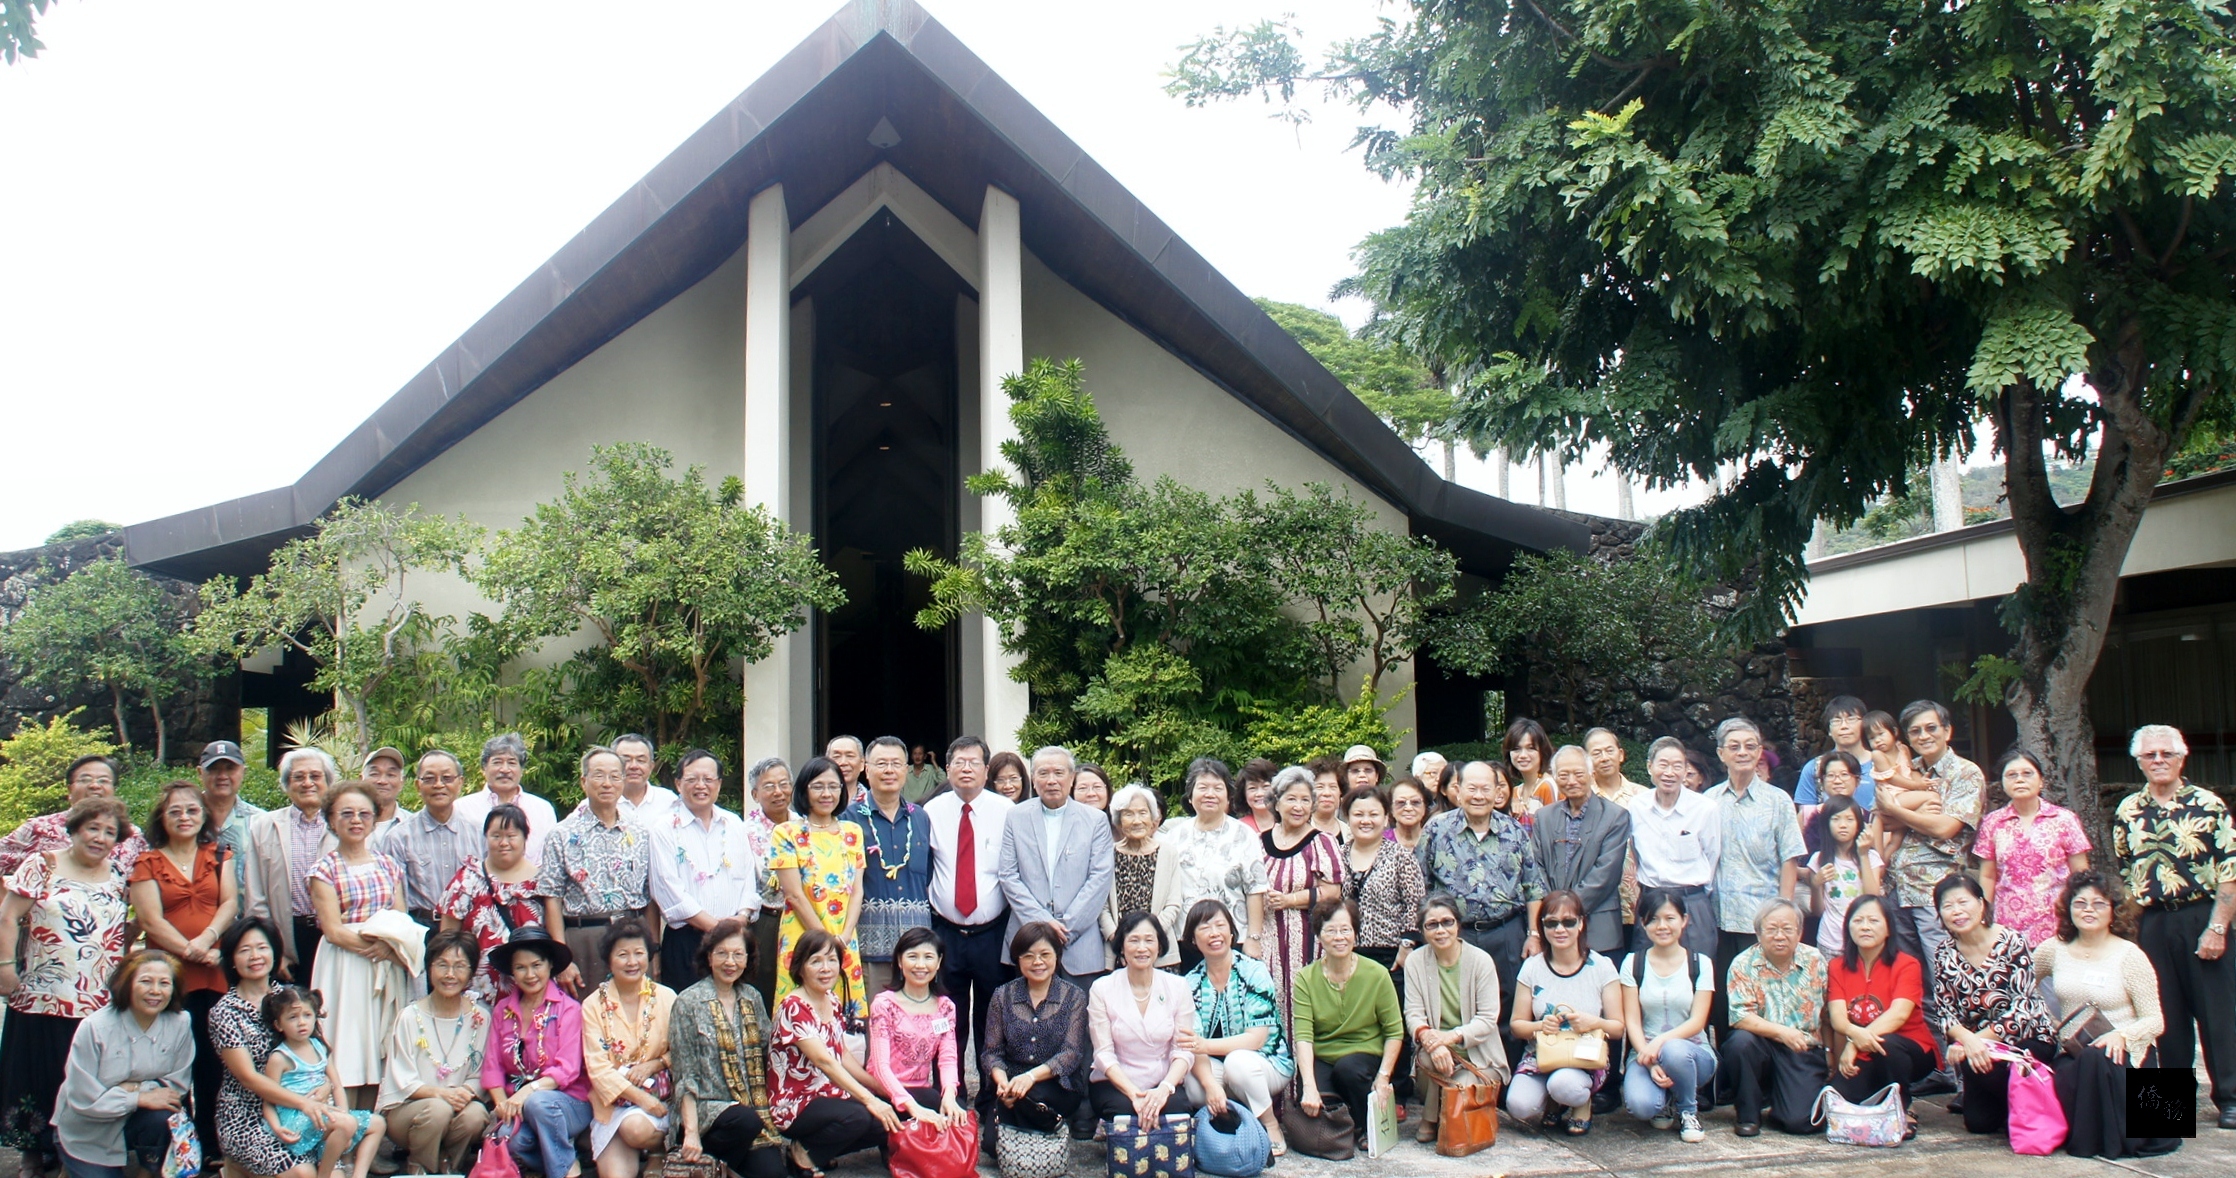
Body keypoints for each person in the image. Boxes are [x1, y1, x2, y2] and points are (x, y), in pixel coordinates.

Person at [0, 797, 135, 1176]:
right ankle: (32, 1156)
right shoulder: (42, 864)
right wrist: (5, 967)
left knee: (78, 1081)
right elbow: (8, 916)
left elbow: (127, 927)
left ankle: (70, 1154)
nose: (100, 838)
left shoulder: (119, 873)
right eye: (93, 828)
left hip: (96, 1002)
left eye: (110, 832)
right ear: (74, 829)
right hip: (42, 995)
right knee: (38, 1077)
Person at [2111, 723, 2236, 1131]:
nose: (2159, 760)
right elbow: (2126, 868)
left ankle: (2230, 1099)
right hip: (2154, 921)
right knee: (2162, 1013)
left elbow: (2229, 870)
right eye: (2150, 755)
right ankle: (2169, 1108)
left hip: (2202, 915)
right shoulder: (2128, 810)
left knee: (2219, 1014)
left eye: (2166, 753)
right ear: (2139, 761)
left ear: (2182, 758)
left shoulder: (2209, 804)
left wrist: (2218, 927)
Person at [2032, 871, 2180, 1159]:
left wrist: (2121, 1035)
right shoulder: (2053, 950)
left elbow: (2156, 1021)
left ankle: (2107, 1139)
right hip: (2074, 1055)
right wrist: (2049, 1022)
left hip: (2127, 1055)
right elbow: (2022, 986)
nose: (2089, 910)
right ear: (2068, 909)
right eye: (2080, 903)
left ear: (2113, 911)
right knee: (2085, 1059)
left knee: (2099, 1057)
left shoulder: (2131, 955)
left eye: (2099, 904)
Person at [129, 782, 239, 1159]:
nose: (184, 817)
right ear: (162, 817)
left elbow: (229, 904)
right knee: (173, 1060)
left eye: (192, 810)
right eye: (174, 810)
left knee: (213, 1061)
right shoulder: (147, 861)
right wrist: (191, 951)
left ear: (203, 814)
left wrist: (208, 939)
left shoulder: (220, 854)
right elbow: (149, 920)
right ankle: (177, 1146)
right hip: (169, 976)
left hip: (214, 971)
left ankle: (211, 1145)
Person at [210, 918, 347, 1178]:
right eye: (244, 950)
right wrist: (304, 1104)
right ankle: (236, 1167)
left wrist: (328, 1086)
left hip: (304, 1110)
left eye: (262, 947)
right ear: (231, 959)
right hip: (249, 1114)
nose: (255, 956)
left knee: (334, 1175)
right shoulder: (224, 1012)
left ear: (274, 952)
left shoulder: (292, 998)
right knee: (303, 1174)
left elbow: (319, 1052)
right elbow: (248, 1078)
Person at [921, 736, 1010, 1123]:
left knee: (992, 1019)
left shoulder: (1008, 811)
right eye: (959, 762)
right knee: (948, 1017)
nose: (966, 768)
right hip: (946, 932)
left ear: (987, 770)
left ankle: (991, 1096)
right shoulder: (930, 811)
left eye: (974, 762)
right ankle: (950, 1092)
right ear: (949, 767)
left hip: (993, 931)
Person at [304, 781, 411, 1099]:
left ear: (374, 818)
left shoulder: (389, 865)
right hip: (345, 966)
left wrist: (389, 948)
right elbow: (333, 930)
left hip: (385, 963)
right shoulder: (323, 870)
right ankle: (342, 1121)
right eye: (346, 813)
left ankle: (373, 1128)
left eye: (364, 813)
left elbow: (400, 918)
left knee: (380, 1040)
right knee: (347, 1042)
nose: (356, 820)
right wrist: (374, 949)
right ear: (331, 820)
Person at [1932, 873, 2056, 1137]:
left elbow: (2023, 1009)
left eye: (1963, 902)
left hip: (2025, 1038)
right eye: (1947, 905)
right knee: (1979, 1124)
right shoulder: (1944, 952)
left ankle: (2035, 1104)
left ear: (1981, 903)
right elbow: (1945, 1012)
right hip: (1980, 1049)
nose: (1957, 912)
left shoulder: (2012, 942)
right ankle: (2017, 1103)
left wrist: (1975, 1041)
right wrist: (1966, 1039)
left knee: (2001, 1064)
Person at [769, 928, 901, 1175]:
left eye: (832, 960)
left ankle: (823, 1149)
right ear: (800, 967)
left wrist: (882, 1088)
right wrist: (870, 1099)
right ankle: (803, 1155)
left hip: (830, 1093)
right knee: (860, 1117)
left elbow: (842, 1054)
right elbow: (825, 1061)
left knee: (889, 1116)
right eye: (815, 961)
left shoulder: (831, 999)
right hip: (796, 1101)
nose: (826, 968)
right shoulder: (794, 1007)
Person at [1413, 760, 1547, 1003]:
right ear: (1458, 790)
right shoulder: (1437, 829)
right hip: (1455, 933)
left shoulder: (1513, 831)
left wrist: (1534, 934)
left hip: (1506, 932)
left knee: (1510, 1000)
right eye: (1471, 788)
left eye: (1486, 789)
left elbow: (1533, 887)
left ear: (1497, 792)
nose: (1478, 796)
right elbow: (1419, 884)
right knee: (1457, 1000)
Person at [51, 951, 193, 1178]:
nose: (155, 991)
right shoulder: (94, 1027)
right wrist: (138, 1095)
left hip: (137, 1118)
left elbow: (175, 1087)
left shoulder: (180, 1022)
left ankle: (147, 1171)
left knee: (163, 1115)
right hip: (87, 1129)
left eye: (164, 983)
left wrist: (130, 1088)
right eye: (146, 981)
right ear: (126, 984)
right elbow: (83, 1098)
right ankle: (69, 1163)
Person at [1703, 718, 1805, 1030]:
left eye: (1750, 746)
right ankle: (1727, 1073)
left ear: (1760, 751)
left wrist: (1784, 910)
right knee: (1722, 1002)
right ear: (1721, 754)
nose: (1742, 752)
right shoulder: (1708, 801)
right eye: (1734, 747)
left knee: (1763, 999)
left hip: (1761, 917)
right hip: (1718, 916)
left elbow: (1790, 857)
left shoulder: (1778, 800)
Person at [1878, 701, 1985, 999]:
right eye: (1915, 731)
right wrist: (1913, 811)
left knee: (1944, 975)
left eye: (1931, 728)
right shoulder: (1905, 772)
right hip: (1897, 887)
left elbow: (1946, 828)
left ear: (1947, 731)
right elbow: (1881, 815)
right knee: (1912, 981)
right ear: (1907, 738)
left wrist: (1898, 811)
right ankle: (1927, 1045)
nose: (1924, 736)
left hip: (1935, 890)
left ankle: (1956, 1042)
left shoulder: (1966, 773)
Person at [667, 918, 788, 1178]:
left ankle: (721, 1169)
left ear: (747, 959)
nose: (730, 962)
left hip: (750, 1111)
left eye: (737, 954)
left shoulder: (751, 997)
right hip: (705, 1111)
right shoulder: (688, 1002)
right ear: (709, 957)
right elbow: (684, 1075)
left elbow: (772, 1049)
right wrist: (690, 1133)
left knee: (773, 1173)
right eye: (722, 953)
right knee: (744, 1120)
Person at [539, 747, 655, 995]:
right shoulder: (562, 834)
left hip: (633, 937)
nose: (607, 784)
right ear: (584, 781)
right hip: (585, 939)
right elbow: (552, 899)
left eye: (615, 776)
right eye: (599, 775)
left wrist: (654, 950)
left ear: (623, 782)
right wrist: (562, 960)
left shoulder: (640, 832)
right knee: (590, 1019)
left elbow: (651, 896)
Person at [1503, 890, 1620, 1135]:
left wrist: (1592, 1022)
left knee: (1564, 1084)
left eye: (1568, 922)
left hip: (1584, 1057)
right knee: (1518, 1105)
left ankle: (1580, 1102)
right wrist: (1539, 1026)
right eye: (1551, 923)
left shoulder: (1601, 967)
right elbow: (1517, 1025)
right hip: (1543, 1054)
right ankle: (1554, 1101)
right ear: (1542, 926)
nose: (1560, 929)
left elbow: (1618, 1027)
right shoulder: (1532, 967)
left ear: (1581, 923)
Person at [377, 929, 492, 1175]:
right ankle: (420, 1164)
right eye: (442, 965)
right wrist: (441, 1095)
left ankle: (449, 1163)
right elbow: (401, 1079)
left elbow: (481, 1073)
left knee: (477, 1115)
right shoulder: (410, 1017)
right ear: (429, 969)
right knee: (438, 1109)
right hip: (410, 1112)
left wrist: (465, 1092)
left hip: (458, 1107)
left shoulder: (480, 1017)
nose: (450, 974)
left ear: (471, 972)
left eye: (460, 966)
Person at [1179, 902, 1291, 1152]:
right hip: (1224, 1069)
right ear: (1193, 940)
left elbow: (1256, 1040)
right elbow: (1192, 1045)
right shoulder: (1190, 983)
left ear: (1231, 933)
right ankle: (1233, 1122)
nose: (1214, 933)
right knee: (1194, 1084)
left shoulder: (1253, 971)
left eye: (1220, 925)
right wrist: (1211, 1086)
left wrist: (1206, 1045)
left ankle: (1270, 1124)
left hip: (1267, 1063)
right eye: (1205, 928)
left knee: (1238, 1062)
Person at [999, 746, 1116, 985]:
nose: (1051, 780)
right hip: (1027, 940)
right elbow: (1009, 876)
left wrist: (1066, 928)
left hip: (1079, 943)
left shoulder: (1095, 820)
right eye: (1043, 773)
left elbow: (1100, 878)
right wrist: (1041, 924)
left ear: (1072, 778)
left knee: (1077, 1020)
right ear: (1033, 779)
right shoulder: (1016, 816)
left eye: (1059, 773)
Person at [482, 928, 593, 1178]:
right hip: (518, 1105)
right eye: (521, 968)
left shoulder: (569, 1009)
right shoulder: (502, 1010)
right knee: (509, 1140)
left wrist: (526, 1094)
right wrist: (503, 1105)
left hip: (567, 1102)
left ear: (550, 965)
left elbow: (567, 1069)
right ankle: (566, 1159)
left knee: (538, 1103)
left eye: (536, 965)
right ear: (512, 971)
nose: (530, 974)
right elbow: (492, 1067)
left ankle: (563, 1173)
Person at [1292, 899, 1402, 1146]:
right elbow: (1304, 1037)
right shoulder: (1305, 978)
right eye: (1330, 931)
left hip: (1363, 1056)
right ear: (1319, 936)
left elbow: (1395, 1031)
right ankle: (1344, 1128)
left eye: (1345, 930)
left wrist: (1384, 1076)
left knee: (1348, 1070)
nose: (1339, 937)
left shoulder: (1377, 974)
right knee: (1312, 1100)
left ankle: (1365, 1126)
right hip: (1325, 1055)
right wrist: (1308, 1084)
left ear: (1355, 933)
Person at [1404, 894, 1511, 1146]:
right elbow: (1413, 1014)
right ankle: (1436, 1117)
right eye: (1432, 925)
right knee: (1431, 1058)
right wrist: (1434, 1041)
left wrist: (1450, 1037)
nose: (1441, 930)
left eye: (1447, 922)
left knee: (1460, 1088)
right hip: (1437, 1052)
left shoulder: (1480, 961)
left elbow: (1487, 1019)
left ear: (1458, 924)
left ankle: (1431, 1119)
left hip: (1479, 1057)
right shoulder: (1415, 961)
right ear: (1422, 930)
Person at [1824, 896, 1933, 1138]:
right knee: (1836, 1098)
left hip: (1911, 1052)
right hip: (1865, 1051)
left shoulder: (1907, 964)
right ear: (1848, 927)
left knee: (1889, 1043)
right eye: (1858, 920)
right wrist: (1854, 1038)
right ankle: (1878, 1099)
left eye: (1873, 920)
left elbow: (1898, 1015)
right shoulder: (1837, 966)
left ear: (1888, 928)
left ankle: (1903, 1108)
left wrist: (1853, 1044)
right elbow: (1838, 1019)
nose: (1865, 926)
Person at [649, 749, 759, 987]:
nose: (701, 785)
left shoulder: (734, 824)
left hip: (735, 939)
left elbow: (749, 879)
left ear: (719, 784)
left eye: (708, 779)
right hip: (688, 939)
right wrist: (718, 929)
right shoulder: (664, 828)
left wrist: (741, 918)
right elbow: (668, 890)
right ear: (678, 783)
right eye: (692, 779)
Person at [1718, 898, 1828, 1136]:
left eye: (1787, 929)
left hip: (1802, 1049)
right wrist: (1782, 1032)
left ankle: (1781, 1101)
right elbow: (1740, 1016)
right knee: (1739, 1043)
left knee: (1800, 1123)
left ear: (1799, 932)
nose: (1780, 936)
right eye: (1772, 929)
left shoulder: (1815, 961)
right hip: (1762, 1045)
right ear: (1758, 933)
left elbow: (1829, 1013)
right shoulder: (1743, 964)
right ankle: (1748, 1115)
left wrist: (1834, 1058)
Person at [768, 757, 867, 1018]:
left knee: (845, 1019)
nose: (827, 794)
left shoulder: (853, 832)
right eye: (818, 786)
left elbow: (857, 890)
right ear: (804, 790)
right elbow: (794, 895)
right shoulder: (785, 833)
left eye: (834, 787)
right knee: (800, 1016)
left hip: (844, 937)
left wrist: (844, 936)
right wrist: (825, 941)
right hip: (802, 934)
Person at [1617, 888, 1715, 1143]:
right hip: (1645, 1051)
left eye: (1670, 918)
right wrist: (1649, 1061)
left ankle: (1687, 1111)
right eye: (1653, 919)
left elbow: (1697, 1022)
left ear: (1684, 920)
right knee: (1641, 1105)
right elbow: (1633, 1022)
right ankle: (1664, 1101)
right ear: (1643, 924)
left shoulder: (1700, 963)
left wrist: (1660, 1043)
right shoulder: (1633, 963)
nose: (1662, 926)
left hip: (1692, 1054)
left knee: (1673, 1051)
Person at [581, 921, 677, 1178]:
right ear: (609, 960)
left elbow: (682, 1052)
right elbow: (598, 1068)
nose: (632, 961)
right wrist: (640, 1098)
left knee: (636, 1129)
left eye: (639, 953)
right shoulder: (593, 1005)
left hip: (661, 1100)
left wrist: (656, 1064)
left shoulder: (667, 997)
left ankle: (657, 1151)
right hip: (615, 1103)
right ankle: (638, 1149)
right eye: (623, 955)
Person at [258, 986, 384, 1178]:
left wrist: (345, 1115)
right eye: (292, 1017)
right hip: (296, 1120)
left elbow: (336, 1085)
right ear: (279, 1025)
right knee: (345, 1124)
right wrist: (276, 1128)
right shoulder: (280, 1057)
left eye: (307, 1015)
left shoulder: (319, 1046)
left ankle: (358, 1175)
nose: (301, 1022)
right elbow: (268, 1099)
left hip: (325, 1116)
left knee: (378, 1123)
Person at [1155, 759, 1269, 970]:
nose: (1210, 794)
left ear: (1228, 796)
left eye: (1218, 788)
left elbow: (1256, 889)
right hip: (1186, 938)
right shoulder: (1173, 837)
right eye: (1203, 787)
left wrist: (1254, 937)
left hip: (1234, 937)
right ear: (1190, 795)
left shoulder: (1244, 835)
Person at [1086, 913, 1201, 1121]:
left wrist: (1164, 1089)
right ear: (1121, 946)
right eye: (1133, 940)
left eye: (1149, 940)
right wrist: (1134, 1094)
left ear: (1159, 946)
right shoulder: (1102, 988)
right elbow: (1103, 1053)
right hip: (1116, 1083)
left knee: (1176, 1108)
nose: (1142, 948)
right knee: (1125, 1111)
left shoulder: (1178, 986)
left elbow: (1183, 1051)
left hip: (1161, 1080)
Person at [1975, 747, 2090, 948]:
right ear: (2002, 783)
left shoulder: (2064, 819)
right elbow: (1988, 876)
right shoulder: (1992, 823)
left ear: (2041, 780)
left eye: (2027, 773)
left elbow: (2080, 873)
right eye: (2011, 775)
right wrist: (1983, 917)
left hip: (2058, 924)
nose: (2019, 779)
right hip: (2008, 925)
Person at [982, 923, 1090, 1136]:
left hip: (1056, 1084)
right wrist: (1003, 1083)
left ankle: (1038, 1126)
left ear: (1057, 957)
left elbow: (1071, 1053)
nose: (1037, 962)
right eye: (1029, 956)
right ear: (1018, 959)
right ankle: (1042, 1129)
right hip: (1011, 1085)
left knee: (1030, 1098)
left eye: (1044, 954)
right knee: (991, 1145)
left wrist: (1030, 1078)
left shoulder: (1074, 996)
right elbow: (992, 1053)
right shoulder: (1002, 995)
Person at [847, 737, 934, 996]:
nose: (889, 770)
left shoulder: (921, 817)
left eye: (896, 763)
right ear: (866, 768)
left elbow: (929, 875)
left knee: (916, 1025)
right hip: (868, 948)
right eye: (881, 763)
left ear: (906, 770)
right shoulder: (848, 820)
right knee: (873, 1027)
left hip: (917, 954)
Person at [241, 748, 338, 979]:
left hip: (333, 934)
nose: (308, 783)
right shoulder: (264, 826)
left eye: (315, 776)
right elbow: (256, 898)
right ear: (286, 784)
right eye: (299, 777)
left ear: (328, 781)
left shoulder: (343, 823)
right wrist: (273, 950)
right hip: (285, 935)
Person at [1258, 766, 1346, 1014]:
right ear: (1276, 803)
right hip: (1267, 939)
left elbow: (1333, 893)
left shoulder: (1322, 841)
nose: (1299, 806)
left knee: (1305, 1005)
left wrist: (1289, 900)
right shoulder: (1259, 842)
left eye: (1305, 800)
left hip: (1308, 940)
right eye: (1291, 799)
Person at [1531, 747, 1632, 955]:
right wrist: (1556, 913)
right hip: (1553, 929)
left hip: (1599, 928)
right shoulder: (1544, 817)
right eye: (1563, 775)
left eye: (1578, 774)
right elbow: (1537, 867)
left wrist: (1564, 909)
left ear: (1591, 775)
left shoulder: (1615, 816)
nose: (1571, 781)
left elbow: (1606, 874)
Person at [1625, 738, 1720, 959]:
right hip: (1651, 899)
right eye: (1663, 764)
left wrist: (1695, 894)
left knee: (1697, 971)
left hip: (1692, 901)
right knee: (1646, 971)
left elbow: (1712, 855)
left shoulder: (1705, 808)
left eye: (1677, 766)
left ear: (1686, 770)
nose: (1670, 772)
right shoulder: (1636, 807)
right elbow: (1635, 853)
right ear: (1650, 767)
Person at [439, 804, 546, 999]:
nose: (503, 843)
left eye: (511, 836)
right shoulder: (468, 880)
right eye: (496, 836)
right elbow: (447, 938)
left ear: (525, 838)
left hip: (532, 987)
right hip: (478, 989)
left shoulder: (542, 883)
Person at [866, 928, 966, 1129]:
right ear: (900, 962)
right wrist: (911, 1106)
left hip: (921, 1092)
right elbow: (880, 1066)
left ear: (938, 963)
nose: (920, 965)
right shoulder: (884, 1004)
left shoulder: (945, 1007)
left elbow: (947, 1058)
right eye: (912, 957)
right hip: (885, 1092)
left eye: (928, 957)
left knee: (956, 1112)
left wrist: (948, 1094)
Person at [377, 750, 483, 928]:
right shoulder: (399, 837)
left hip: (469, 928)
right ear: (418, 786)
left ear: (460, 783)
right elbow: (392, 898)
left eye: (447, 778)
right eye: (429, 779)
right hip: (421, 927)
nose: (438, 785)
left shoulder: (479, 833)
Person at [0, 755, 146, 878]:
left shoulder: (132, 835)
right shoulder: (39, 827)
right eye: (85, 779)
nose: (95, 786)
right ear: (70, 789)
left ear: (113, 789)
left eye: (103, 781)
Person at [1342, 787, 1426, 976]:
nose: (1366, 820)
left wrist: (1406, 947)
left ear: (1386, 818)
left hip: (1392, 956)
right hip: (1345, 954)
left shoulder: (1401, 857)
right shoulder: (1336, 856)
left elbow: (1416, 905)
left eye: (1373, 814)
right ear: (1348, 818)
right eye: (1358, 814)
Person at [741, 758, 799, 1005]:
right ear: (755, 794)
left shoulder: (805, 825)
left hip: (801, 918)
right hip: (767, 920)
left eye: (784, 784)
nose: (778, 792)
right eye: (769, 786)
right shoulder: (744, 832)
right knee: (764, 988)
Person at [451, 734, 559, 865]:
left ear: (522, 769)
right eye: (497, 762)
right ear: (484, 767)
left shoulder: (542, 809)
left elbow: (550, 860)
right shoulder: (461, 809)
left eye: (512, 763)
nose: (505, 770)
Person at [1102, 785, 1174, 970]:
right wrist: (1120, 941)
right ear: (1118, 821)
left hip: (1160, 951)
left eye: (1143, 813)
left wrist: (1151, 938)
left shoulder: (1168, 853)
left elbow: (1173, 905)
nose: (1136, 821)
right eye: (1128, 814)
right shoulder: (1106, 854)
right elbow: (1101, 907)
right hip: (1118, 951)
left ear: (1153, 819)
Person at [1805, 795, 1882, 955]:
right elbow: (1818, 911)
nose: (1843, 825)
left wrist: (1863, 855)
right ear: (1826, 824)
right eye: (1836, 819)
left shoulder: (1871, 857)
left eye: (1849, 819)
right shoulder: (1818, 859)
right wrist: (1816, 884)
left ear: (1858, 824)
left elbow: (1872, 897)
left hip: (1863, 940)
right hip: (1830, 940)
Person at [200, 741, 266, 889]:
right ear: (200, 773)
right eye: (213, 769)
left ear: (244, 771)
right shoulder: (185, 819)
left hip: (248, 911)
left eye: (230, 769)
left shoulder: (261, 821)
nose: (222, 776)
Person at [1794, 696, 1878, 810]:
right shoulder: (1814, 768)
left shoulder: (1882, 764)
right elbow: (1806, 817)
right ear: (1829, 730)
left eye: (1851, 719)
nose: (1844, 726)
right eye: (1836, 721)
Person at [1798, 750, 1873, 859]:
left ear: (1857, 780)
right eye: (1831, 775)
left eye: (1844, 774)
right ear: (1822, 781)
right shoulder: (1807, 814)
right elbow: (1792, 855)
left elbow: (1879, 862)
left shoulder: (1870, 818)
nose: (1837, 781)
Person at [610, 734, 678, 824]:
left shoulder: (669, 801)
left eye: (641, 760)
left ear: (651, 766)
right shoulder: (598, 803)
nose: (634, 766)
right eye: (626, 760)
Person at [1504, 718, 1556, 819]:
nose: (1523, 755)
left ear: (1542, 751)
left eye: (1531, 748)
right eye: (1516, 749)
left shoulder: (1548, 786)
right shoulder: (1515, 792)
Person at [362, 747, 412, 837]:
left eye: (391, 775)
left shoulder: (413, 824)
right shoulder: (348, 824)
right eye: (374, 774)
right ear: (361, 780)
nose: (382, 781)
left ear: (402, 782)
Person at [1387, 777, 1433, 855]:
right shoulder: (1379, 842)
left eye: (1415, 802)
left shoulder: (1434, 841)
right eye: (1401, 802)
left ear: (1425, 806)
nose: (1408, 808)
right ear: (1391, 809)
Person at [1237, 759, 1278, 834]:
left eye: (1265, 786)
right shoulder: (1237, 828)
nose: (1260, 794)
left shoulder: (1287, 823)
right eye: (1252, 788)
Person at [1308, 758, 1346, 839]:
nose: (1327, 793)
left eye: (1333, 787)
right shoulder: (1299, 831)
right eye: (1320, 787)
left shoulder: (1350, 833)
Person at [824, 737, 866, 808]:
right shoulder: (816, 802)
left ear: (862, 764)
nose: (843, 762)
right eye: (836, 756)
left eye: (850, 756)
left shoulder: (873, 802)